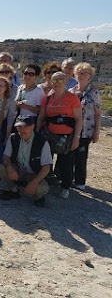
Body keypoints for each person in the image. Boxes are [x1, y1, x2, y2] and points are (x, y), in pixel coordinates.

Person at [36, 71, 83, 199]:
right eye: (54, 80)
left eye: (61, 80)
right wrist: (37, 133)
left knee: (65, 163)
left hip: (67, 136)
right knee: (46, 161)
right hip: (49, 135)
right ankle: (45, 183)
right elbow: (41, 117)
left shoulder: (72, 98)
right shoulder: (47, 98)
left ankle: (65, 187)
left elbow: (79, 119)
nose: (57, 83)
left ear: (66, 82)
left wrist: (76, 138)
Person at [0, 115, 52, 207]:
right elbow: (6, 157)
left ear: (32, 126)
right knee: (1, 168)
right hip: (18, 171)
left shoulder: (42, 142)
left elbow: (46, 167)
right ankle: (14, 190)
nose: (22, 129)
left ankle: (38, 196)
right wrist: (10, 167)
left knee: (41, 189)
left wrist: (34, 182)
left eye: (25, 126)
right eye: (19, 127)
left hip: (34, 174)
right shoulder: (13, 138)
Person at [69, 63, 101, 191]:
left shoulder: (94, 92)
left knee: (81, 156)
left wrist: (97, 131)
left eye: (85, 73)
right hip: (71, 128)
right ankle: (68, 178)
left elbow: (98, 113)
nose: (81, 75)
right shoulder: (72, 91)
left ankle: (80, 181)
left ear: (90, 76)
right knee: (70, 155)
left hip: (86, 130)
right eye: (79, 73)